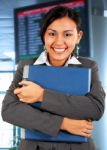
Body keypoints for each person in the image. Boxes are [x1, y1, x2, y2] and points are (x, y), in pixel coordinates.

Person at [1, 6, 105, 150]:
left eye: (67, 35)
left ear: (78, 37)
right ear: (44, 35)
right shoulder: (26, 66)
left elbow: (95, 108)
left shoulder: (88, 66)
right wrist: (64, 123)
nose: (59, 42)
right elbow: (9, 110)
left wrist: (42, 96)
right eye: (52, 34)